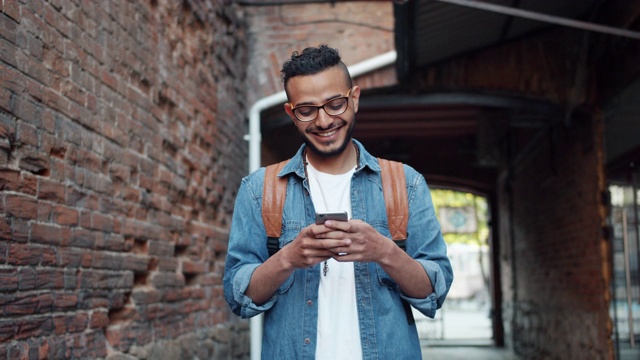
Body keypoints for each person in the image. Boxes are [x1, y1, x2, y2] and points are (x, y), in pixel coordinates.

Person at [224, 45, 453, 359]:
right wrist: (288, 258)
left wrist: (385, 252)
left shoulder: (405, 184)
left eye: (335, 104)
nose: (323, 120)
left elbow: (434, 291)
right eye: (307, 110)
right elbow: (238, 297)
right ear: (291, 113)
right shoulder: (259, 190)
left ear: (354, 99)